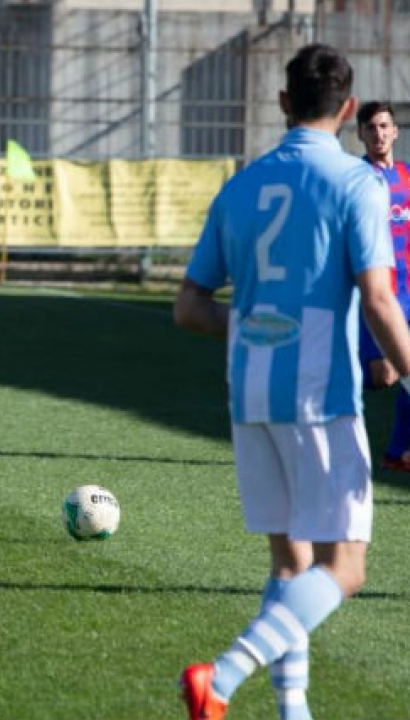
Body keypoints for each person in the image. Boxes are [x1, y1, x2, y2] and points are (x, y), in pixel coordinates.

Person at [174, 43, 410, 720]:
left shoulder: (241, 185)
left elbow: (189, 309)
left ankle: (293, 713)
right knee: (346, 569)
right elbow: (380, 300)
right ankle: (220, 678)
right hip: (319, 394)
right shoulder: (355, 183)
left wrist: (253, 324)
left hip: (250, 390)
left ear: (282, 103)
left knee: (290, 564)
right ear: (347, 109)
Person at [355, 100, 410, 470]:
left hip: (408, 294)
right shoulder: (354, 179)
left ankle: (396, 453)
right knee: (383, 376)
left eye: (384, 126)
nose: (379, 134)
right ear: (360, 133)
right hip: (375, 297)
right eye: (371, 127)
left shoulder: (407, 177)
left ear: (395, 131)